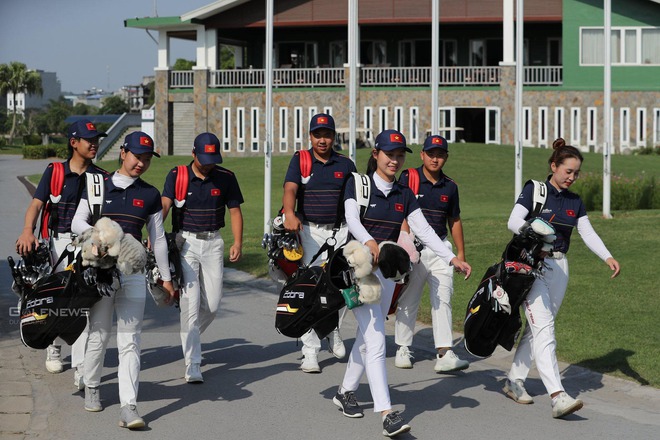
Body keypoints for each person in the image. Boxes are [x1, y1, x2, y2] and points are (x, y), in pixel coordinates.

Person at [333, 129, 471, 437]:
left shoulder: (404, 193)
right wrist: (369, 241)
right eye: (389, 154)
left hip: (387, 272)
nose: (394, 160)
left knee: (369, 335)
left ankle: (344, 392)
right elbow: (351, 217)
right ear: (376, 155)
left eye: (399, 155)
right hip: (358, 270)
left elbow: (424, 230)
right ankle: (386, 413)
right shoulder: (359, 183)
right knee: (378, 338)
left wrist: (451, 258)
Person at [502, 138, 620, 419]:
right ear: (554, 165)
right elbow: (513, 221)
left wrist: (607, 256)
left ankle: (514, 380)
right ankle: (558, 395)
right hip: (531, 267)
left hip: (560, 267)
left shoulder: (574, 201)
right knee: (544, 328)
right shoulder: (536, 189)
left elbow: (587, 232)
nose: (572, 177)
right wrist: (535, 233)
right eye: (568, 171)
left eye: (576, 173)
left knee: (538, 327)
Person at [71, 131, 175, 429]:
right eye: (137, 156)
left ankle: (129, 406)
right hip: (101, 272)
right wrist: (103, 236)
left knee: (131, 341)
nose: (141, 163)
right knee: (100, 334)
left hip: (133, 273)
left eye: (146, 159)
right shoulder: (96, 186)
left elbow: (158, 240)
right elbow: (77, 221)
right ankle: (91, 385)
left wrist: (166, 279)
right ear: (122, 153)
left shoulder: (151, 194)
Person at [15, 119, 107, 387]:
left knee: (79, 303)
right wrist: (27, 231)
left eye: (96, 139)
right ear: (73, 143)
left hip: (87, 245)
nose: (94, 143)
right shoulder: (54, 172)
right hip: (56, 245)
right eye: (89, 139)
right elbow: (36, 204)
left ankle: (80, 367)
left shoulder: (100, 177)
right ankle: (53, 346)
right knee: (55, 301)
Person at [161, 132, 244, 383]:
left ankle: (191, 336)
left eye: (213, 158)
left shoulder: (226, 177)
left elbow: (235, 211)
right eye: (204, 158)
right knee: (190, 305)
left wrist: (237, 242)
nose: (209, 164)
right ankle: (192, 363)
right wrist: (154, 236)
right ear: (194, 154)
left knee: (213, 305)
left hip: (214, 242)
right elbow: (164, 205)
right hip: (186, 244)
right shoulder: (178, 176)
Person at [282, 113, 357, 373]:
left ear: (334, 136)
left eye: (326, 135)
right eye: (317, 134)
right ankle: (310, 351)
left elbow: (355, 201)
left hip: (340, 231)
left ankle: (332, 328)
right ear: (310, 136)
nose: (322, 140)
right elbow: (290, 189)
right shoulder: (300, 160)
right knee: (311, 289)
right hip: (310, 232)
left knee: (340, 286)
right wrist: (289, 213)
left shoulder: (346, 164)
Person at [394, 135, 470, 372]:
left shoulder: (450, 185)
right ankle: (403, 347)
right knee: (409, 299)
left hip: (441, 248)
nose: (435, 159)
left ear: (445, 157)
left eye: (440, 154)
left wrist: (460, 253)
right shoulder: (409, 177)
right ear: (422, 155)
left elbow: (454, 219)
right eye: (431, 154)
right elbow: (401, 212)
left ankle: (445, 352)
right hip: (413, 248)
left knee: (443, 299)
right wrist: (404, 244)